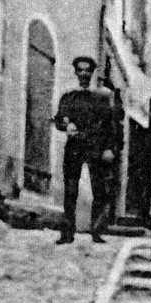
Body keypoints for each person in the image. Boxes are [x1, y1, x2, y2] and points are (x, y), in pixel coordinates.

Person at [53, 55, 116, 243]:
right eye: (80, 70)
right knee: (70, 189)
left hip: (96, 147)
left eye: (87, 70)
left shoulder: (102, 97)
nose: (83, 74)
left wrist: (110, 148)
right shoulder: (68, 96)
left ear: (92, 72)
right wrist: (66, 126)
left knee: (99, 190)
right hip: (74, 147)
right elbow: (59, 119)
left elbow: (111, 125)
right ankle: (67, 232)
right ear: (75, 72)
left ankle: (96, 231)